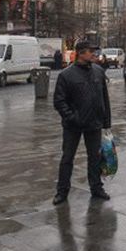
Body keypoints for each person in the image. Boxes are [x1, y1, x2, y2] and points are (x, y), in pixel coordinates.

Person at [52, 40, 112, 205]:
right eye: (90, 51)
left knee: (95, 158)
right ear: (80, 53)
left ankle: (96, 188)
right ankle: (62, 192)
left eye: (94, 51)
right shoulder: (66, 75)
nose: (94, 54)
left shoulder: (99, 71)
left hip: (94, 123)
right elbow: (59, 101)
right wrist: (72, 117)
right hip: (73, 126)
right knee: (67, 158)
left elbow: (104, 99)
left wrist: (106, 122)